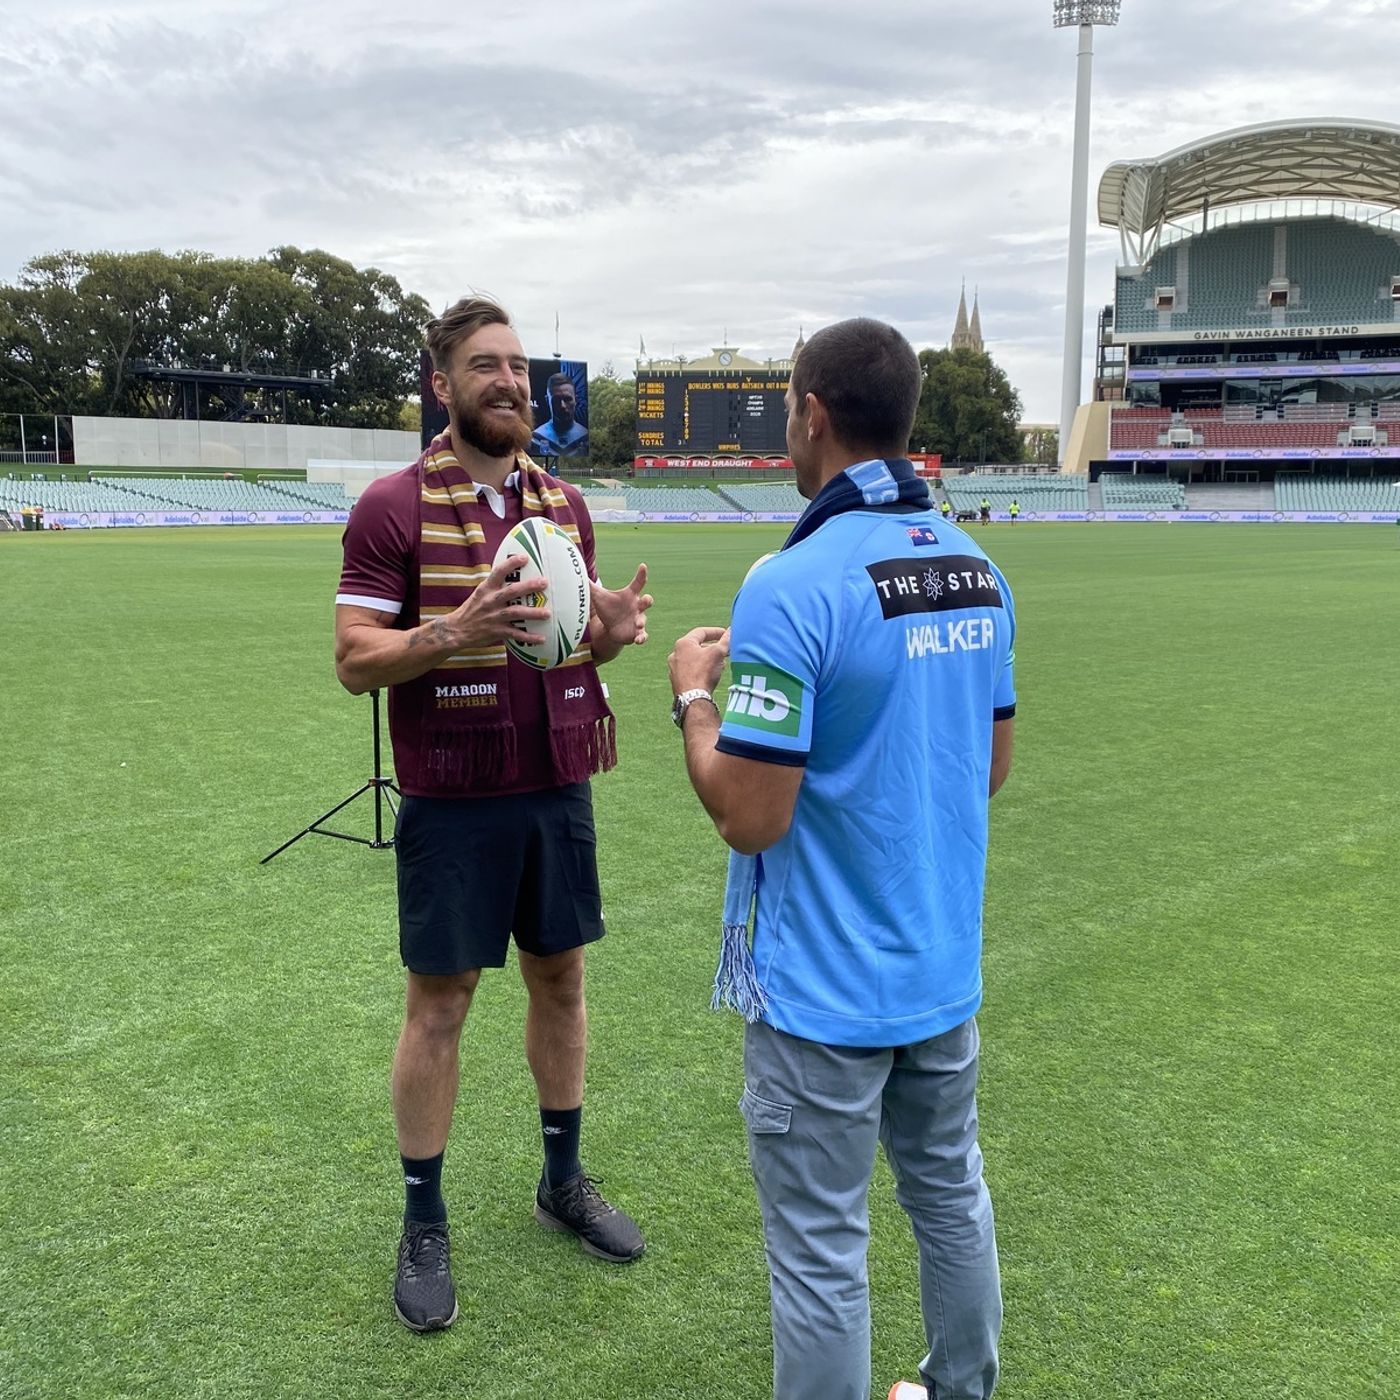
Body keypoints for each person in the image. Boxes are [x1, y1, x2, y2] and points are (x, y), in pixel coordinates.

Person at [668, 317, 1016, 1400]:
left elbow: (749, 816)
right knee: (948, 1193)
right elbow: (987, 769)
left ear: (810, 413)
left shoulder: (790, 581)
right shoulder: (976, 566)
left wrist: (691, 697)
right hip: (937, 969)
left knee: (819, 1252)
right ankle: (958, 1387)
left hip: (823, 988)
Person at [335, 295, 652, 1335]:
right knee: (441, 1002)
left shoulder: (562, 504)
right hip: (451, 793)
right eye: (485, 365)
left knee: (560, 978)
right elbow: (353, 661)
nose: (510, 381)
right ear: (442, 383)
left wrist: (610, 635)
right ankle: (423, 1219)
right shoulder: (389, 505)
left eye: (518, 366)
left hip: (553, 780)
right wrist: (450, 628)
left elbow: (570, 645)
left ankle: (561, 1179)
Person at [529, 372, 590, 457]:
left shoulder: (585, 437)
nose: (562, 406)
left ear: (576, 400)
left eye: (567, 399)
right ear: (547, 401)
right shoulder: (535, 438)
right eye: (556, 400)